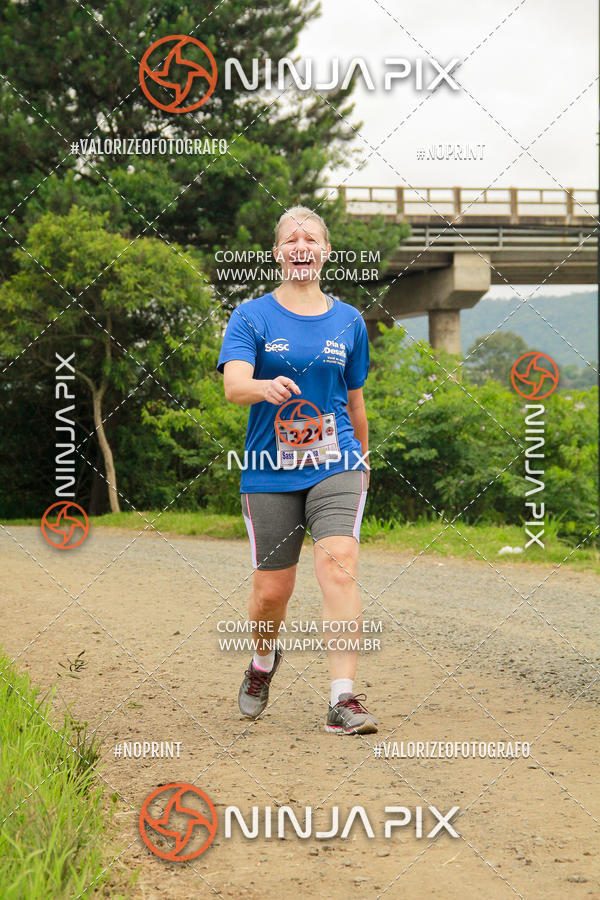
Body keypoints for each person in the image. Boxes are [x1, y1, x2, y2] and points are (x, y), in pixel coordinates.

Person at [217, 205, 377, 735]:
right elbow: (234, 385)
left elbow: (355, 401)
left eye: (311, 237)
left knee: (338, 562)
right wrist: (263, 386)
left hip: (337, 460)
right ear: (278, 253)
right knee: (271, 590)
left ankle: (343, 699)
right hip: (269, 466)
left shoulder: (349, 320)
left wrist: (363, 457)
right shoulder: (252, 317)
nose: (301, 244)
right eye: (291, 238)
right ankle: (263, 661)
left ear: (326, 251)